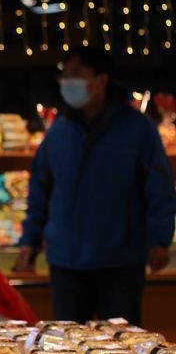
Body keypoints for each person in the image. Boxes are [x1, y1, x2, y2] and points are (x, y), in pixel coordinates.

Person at [14, 48, 176, 324]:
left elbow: (159, 188)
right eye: (65, 75)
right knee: (66, 341)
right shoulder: (59, 131)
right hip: (66, 260)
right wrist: (30, 239)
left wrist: (160, 240)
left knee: (121, 342)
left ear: (101, 80)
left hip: (120, 259)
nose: (67, 81)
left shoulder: (138, 128)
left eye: (76, 74)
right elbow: (39, 189)